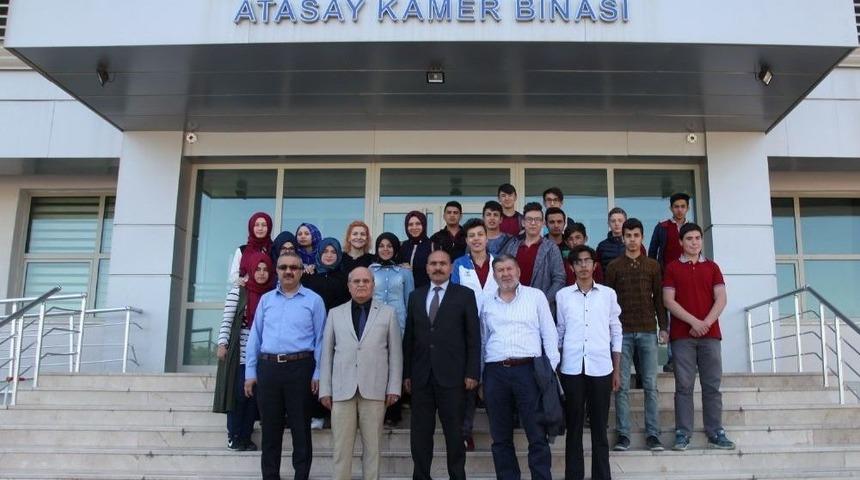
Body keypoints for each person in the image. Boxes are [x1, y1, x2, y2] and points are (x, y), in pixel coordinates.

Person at [244, 252, 326, 480]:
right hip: (268, 369)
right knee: (270, 431)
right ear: (277, 271)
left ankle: (301, 476)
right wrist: (250, 372)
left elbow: (321, 340)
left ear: (301, 271)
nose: (288, 271)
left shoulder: (313, 300)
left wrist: (318, 372)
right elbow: (255, 337)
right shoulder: (266, 300)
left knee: (301, 430)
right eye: (283, 267)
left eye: (293, 267)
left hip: (301, 368)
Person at [480, 254, 559, 480]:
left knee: (536, 433)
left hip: (529, 371)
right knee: (500, 435)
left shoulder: (535, 296)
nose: (505, 274)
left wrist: (549, 369)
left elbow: (549, 333)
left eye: (509, 269)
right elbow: (483, 339)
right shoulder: (486, 302)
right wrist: (482, 375)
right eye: (500, 270)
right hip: (495, 372)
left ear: (518, 271)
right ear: (494, 275)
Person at [319, 267, 403, 480]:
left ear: (373, 285)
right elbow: (326, 354)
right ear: (348, 286)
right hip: (341, 390)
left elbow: (395, 354)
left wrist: (394, 387)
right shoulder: (335, 313)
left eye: (366, 281)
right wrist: (325, 389)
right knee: (341, 450)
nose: (361, 285)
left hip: (374, 390)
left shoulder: (388, 313)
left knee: (373, 449)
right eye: (356, 281)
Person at [403, 250, 480, 480]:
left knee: (455, 437)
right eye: (433, 263)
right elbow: (410, 338)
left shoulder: (465, 295)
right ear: (426, 267)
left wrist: (472, 372)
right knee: (420, 436)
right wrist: (407, 374)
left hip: (454, 377)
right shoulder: (416, 296)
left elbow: (473, 338)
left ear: (450, 267)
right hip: (422, 378)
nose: (438, 267)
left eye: (443, 263)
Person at [662, 223, 735, 451]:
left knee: (711, 385)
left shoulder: (712, 267)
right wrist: (694, 322)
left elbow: (721, 298)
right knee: (683, 386)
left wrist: (705, 323)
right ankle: (683, 432)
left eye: (697, 238)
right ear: (681, 242)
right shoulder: (672, 268)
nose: (694, 242)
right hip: (682, 336)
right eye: (689, 239)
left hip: (710, 335)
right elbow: (668, 300)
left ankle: (715, 431)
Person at [556, 245, 622, 480]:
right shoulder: (562, 296)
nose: (583, 266)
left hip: (601, 368)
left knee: (599, 429)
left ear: (595, 265)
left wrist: (616, 369)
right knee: (573, 428)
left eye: (587, 261)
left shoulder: (608, 294)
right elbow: (560, 332)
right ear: (572, 267)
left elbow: (616, 330)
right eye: (578, 262)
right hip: (572, 369)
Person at [605, 218, 668, 452]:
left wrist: (663, 326)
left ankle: (653, 434)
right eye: (628, 235)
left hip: (648, 331)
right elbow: (607, 303)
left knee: (651, 384)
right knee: (620, 386)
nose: (632, 240)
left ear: (641, 238)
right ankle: (623, 434)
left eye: (636, 235)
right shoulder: (613, 267)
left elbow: (659, 298)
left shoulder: (653, 266)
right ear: (622, 238)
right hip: (621, 334)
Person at [214, 251, 272, 452]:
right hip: (240, 351)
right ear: (250, 270)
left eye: (265, 270)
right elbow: (227, 321)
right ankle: (234, 435)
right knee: (238, 395)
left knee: (253, 396)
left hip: (261, 351)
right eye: (258, 269)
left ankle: (246, 436)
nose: (262, 273)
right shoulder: (238, 292)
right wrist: (222, 344)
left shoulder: (271, 293)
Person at [450, 218, 498, 451]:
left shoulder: (499, 262)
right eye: (472, 236)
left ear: (487, 237)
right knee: (469, 383)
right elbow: (455, 297)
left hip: (497, 329)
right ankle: (465, 433)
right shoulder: (459, 264)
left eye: (480, 234)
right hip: (467, 330)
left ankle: (500, 433)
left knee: (494, 382)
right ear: (467, 240)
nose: (476, 239)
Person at [302, 237, 351, 430]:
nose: (329, 256)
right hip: (313, 332)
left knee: (337, 371)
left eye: (333, 252)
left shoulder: (344, 278)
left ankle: (335, 414)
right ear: (319, 254)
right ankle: (317, 413)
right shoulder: (309, 277)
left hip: (340, 331)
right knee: (315, 371)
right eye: (325, 252)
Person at [369, 232, 415, 426]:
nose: (385, 249)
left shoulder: (404, 272)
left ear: (395, 249)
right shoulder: (370, 270)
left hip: (399, 323)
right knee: (378, 365)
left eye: (389, 246)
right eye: (381, 245)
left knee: (396, 364)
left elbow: (409, 299)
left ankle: (394, 410)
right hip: (375, 322)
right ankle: (377, 408)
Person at [502, 202, 566, 312]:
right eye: (529, 219)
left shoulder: (551, 248)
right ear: (523, 222)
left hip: (540, 309)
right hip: (512, 305)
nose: (533, 223)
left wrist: (543, 301)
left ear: (543, 223)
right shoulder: (512, 246)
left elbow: (559, 279)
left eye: (537, 219)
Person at [229, 212, 274, 287]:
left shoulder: (274, 249)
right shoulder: (242, 250)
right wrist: (247, 281)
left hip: (270, 292)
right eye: (256, 225)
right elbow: (233, 275)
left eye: (264, 225)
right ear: (251, 227)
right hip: (247, 292)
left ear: (269, 227)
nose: (260, 228)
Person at [649, 193, 691, 270]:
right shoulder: (662, 227)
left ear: (688, 208)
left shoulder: (692, 229)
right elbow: (652, 252)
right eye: (676, 207)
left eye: (683, 206)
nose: (679, 210)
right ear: (671, 208)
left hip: (688, 271)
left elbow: (697, 251)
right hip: (666, 273)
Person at [397, 210, 433, 288]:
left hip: (426, 292)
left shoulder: (432, 245)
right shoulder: (403, 246)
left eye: (418, 224)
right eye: (410, 224)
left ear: (424, 225)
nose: (414, 227)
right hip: (405, 293)